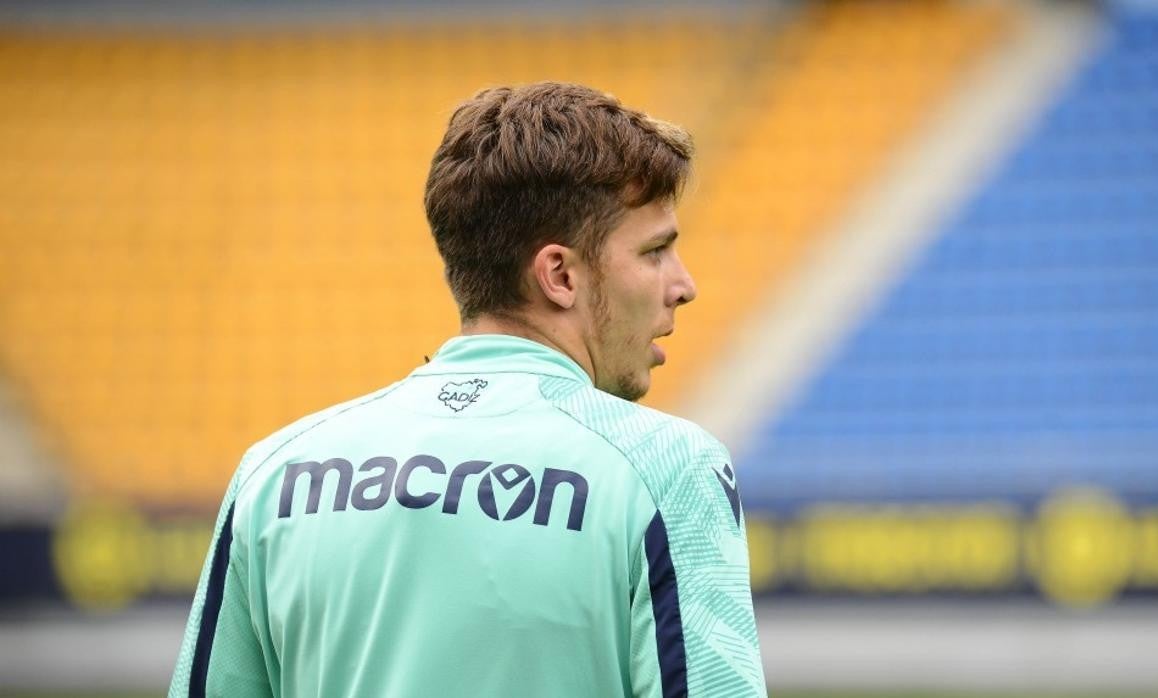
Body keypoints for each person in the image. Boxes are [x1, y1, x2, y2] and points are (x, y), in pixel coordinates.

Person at [170, 81, 766, 697]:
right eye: (656, 251)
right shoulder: (668, 469)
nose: (684, 285)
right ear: (560, 275)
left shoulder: (274, 474)